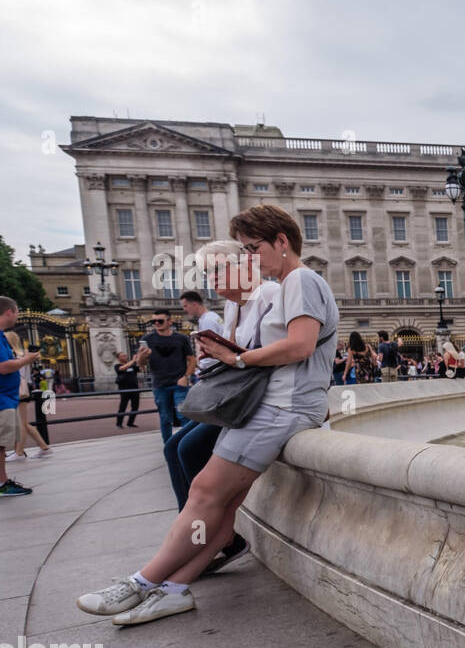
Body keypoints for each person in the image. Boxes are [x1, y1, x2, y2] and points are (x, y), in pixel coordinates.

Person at [77, 203, 338, 626]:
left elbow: (300, 346)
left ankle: (141, 583)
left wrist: (236, 360)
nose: (249, 260)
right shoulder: (289, 283)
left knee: (203, 492)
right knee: (222, 501)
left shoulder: (299, 279)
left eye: (253, 249)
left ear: (282, 241)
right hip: (281, 403)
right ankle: (175, 589)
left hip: (280, 407)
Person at [162, 239, 268, 575]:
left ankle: (211, 540)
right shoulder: (234, 306)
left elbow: (275, 355)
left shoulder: (268, 296)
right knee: (172, 446)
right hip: (237, 389)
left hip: (255, 396)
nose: (212, 280)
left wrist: (228, 355)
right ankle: (198, 534)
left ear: (244, 265)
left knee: (189, 449)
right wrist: (217, 354)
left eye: (218, 270)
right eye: (209, 273)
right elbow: (238, 355)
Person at [0, 299, 44, 495]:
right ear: (9, 312)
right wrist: (27, 359)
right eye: (17, 312)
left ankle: (3, 482)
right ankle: (1, 484)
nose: (17, 316)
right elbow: (3, 367)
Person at [136, 308, 196, 443]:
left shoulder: (181, 338)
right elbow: (141, 364)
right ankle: (168, 445)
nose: (156, 323)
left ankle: (189, 444)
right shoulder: (147, 339)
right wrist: (142, 356)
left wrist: (186, 377)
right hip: (159, 384)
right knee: (165, 418)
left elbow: (192, 360)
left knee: (184, 416)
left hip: (179, 383)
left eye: (160, 321)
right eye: (154, 321)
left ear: (170, 321)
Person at [115, 351, 141, 427]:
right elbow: (122, 368)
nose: (125, 357)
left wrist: (139, 360)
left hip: (134, 389)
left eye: (125, 355)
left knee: (135, 407)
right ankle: (119, 424)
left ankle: (130, 423)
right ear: (118, 358)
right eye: (123, 356)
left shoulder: (132, 365)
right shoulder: (117, 366)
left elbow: (140, 369)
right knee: (123, 406)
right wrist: (133, 360)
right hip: (124, 389)